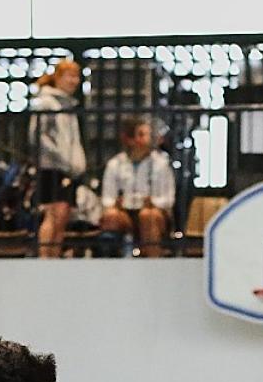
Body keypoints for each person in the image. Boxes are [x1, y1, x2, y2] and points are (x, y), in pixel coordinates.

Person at [31, 60, 88, 259]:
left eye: (76, 76)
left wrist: (77, 163)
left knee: (63, 214)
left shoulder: (69, 105)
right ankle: (45, 256)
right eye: (69, 76)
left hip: (69, 168)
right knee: (54, 212)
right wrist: (61, 158)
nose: (74, 81)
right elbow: (39, 135)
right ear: (58, 77)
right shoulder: (47, 103)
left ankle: (54, 255)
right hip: (52, 167)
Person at [99, 119, 176, 257]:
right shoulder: (115, 164)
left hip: (153, 211)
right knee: (110, 216)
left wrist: (153, 202)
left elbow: (169, 199)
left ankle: (153, 261)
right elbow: (107, 198)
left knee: (148, 216)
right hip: (124, 212)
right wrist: (115, 203)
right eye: (140, 134)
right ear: (129, 139)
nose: (145, 139)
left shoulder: (161, 164)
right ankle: (110, 260)